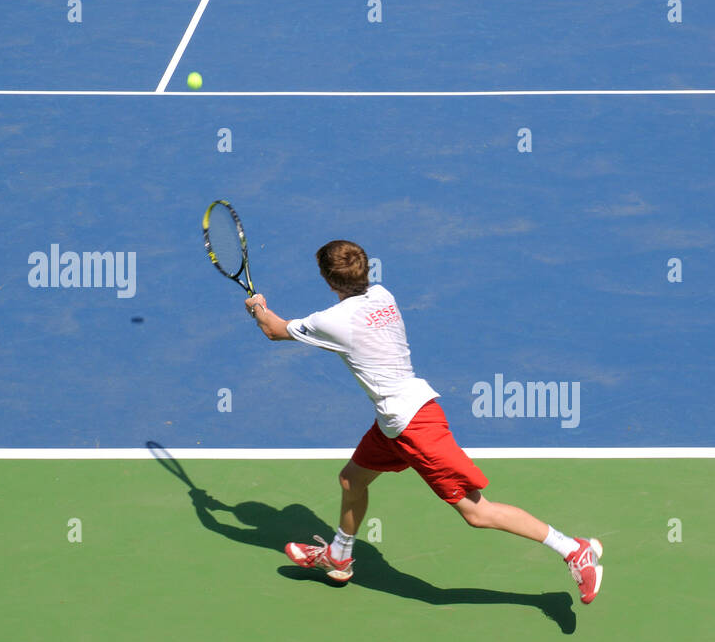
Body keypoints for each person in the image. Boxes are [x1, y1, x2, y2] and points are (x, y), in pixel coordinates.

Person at [243, 239, 603, 604]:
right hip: (394, 421)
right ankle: (339, 556)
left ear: (327, 280)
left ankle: (574, 549)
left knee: (477, 513)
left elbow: (274, 330)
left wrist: (258, 307)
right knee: (352, 479)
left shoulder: (331, 322)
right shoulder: (383, 295)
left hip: (415, 427)